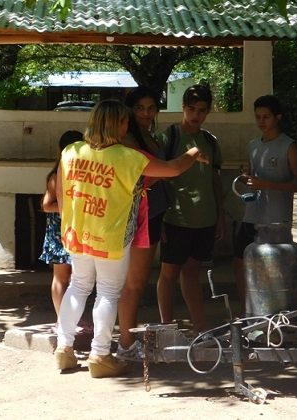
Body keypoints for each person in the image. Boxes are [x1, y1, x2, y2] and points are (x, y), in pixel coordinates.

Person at [53, 99, 208, 378]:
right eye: (125, 121)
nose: (128, 125)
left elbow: (63, 197)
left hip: (76, 233)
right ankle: (100, 354)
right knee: (108, 292)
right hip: (110, 236)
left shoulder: (71, 151)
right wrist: (195, 151)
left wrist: (70, 226)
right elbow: (173, 168)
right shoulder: (128, 156)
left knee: (78, 286)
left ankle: (64, 349)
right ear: (119, 125)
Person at [156, 85, 225, 333]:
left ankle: (200, 328)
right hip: (175, 218)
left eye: (202, 111)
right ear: (183, 107)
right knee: (168, 274)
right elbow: (156, 179)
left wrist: (220, 216)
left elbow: (215, 181)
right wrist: (159, 218)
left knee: (192, 274)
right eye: (192, 109)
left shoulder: (210, 141)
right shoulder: (168, 138)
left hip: (205, 218)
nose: (196, 115)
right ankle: (166, 329)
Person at [232, 95, 297, 312]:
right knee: (240, 261)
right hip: (252, 214)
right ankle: (246, 311)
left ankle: (273, 313)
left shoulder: (289, 146)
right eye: (258, 117)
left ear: (278, 117)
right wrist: (248, 178)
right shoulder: (253, 145)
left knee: (274, 267)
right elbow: (254, 176)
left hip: (276, 219)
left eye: (266, 117)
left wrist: (266, 184)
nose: (261, 122)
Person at [116, 87, 168, 360]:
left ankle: (127, 340)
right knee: (133, 282)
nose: (146, 113)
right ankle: (125, 344)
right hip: (139, 214)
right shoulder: (127, 139)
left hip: (154, 211)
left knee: (137, 280)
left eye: (151, 108)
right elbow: (141, 175)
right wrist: (167, 171)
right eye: (140, 108)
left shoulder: (149, 135)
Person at [39, 130, 82, 323]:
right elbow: (46, 205)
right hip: (60, 232)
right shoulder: (56, 176)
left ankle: (71, 319)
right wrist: (69, 208)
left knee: (77, 280)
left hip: (76, 230)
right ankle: (61, 320)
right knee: (61, 277)